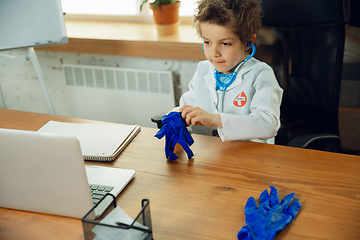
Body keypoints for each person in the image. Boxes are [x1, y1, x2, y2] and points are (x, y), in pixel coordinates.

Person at [173, 0, 283, 144]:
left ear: (247, 42)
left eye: (225, 44)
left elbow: (268, 125)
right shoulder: (203, 69)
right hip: (210, 154)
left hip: (251, 159)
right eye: (207, 42)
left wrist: (215, 119)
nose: (214, 53)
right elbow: (188, 108)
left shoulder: (261, 74)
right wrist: (177, 117)